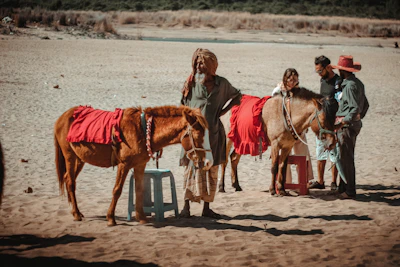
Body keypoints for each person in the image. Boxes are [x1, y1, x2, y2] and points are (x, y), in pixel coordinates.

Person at [180, 48, 242, 218]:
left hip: (214, 134)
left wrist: (221, 111)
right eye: (197, 63)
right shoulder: (192, 82)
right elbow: (183, 103)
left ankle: (206, 208)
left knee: (211, 170)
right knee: (190, 169)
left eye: (202, 64)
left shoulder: (222, 84)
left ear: (211, 67)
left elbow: (238, 96)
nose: (199, 67)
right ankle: (186, 208)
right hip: (193, 135)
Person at [332, 55, 369, 199]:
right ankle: (343, 187)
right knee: (343, 156)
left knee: (346, 158)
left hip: (347, 125)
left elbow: (354, 108)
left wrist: (344, 121)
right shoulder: (358, 83)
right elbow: (365, 105)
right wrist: (358, 119)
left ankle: (350, 190)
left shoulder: (349, 85)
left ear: (343, 71)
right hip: (353, 124)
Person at [271, 68, 314, 184]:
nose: (293, 82)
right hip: (283, 130)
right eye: (291, 79)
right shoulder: (277, 91)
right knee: (283, 156)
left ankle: (304, 181)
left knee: (303, 154)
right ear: (285, 79)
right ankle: (285, 182)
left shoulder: (300, 92)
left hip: (298, 130)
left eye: (295, 79)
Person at [309, 55, 340, 190]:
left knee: (334, 153)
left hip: (334, 123)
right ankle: (320, 182)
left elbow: (340, 101)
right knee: (320, 151)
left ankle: (333, 182)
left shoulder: (338, 82)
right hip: (322, 123)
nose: (319, 74)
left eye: (320, 71)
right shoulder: (323, 81)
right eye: (317, 71)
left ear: (328, 67)